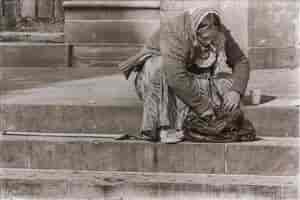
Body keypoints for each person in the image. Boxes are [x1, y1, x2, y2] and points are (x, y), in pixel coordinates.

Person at [119, 7, 250, 143]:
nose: (209, 43)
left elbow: (241, 61)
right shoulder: (174, 31)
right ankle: (163, 128)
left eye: (212, 40)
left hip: (189, 76)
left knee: (226, 83)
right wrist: (203, 107)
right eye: (204, 39)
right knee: (158, 66)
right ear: (195, 30)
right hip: (157, 82)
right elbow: (175, 77)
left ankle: (208, 123)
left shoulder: (220, 32)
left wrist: (236, 91)